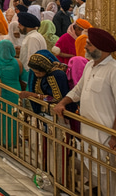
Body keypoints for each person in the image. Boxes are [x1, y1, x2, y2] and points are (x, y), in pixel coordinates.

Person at [53, 28, 116, 190]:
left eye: (89, 44)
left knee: (107, 177)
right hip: (88, 130)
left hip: (105, 134)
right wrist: (63, 103)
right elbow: (78, 90)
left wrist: (114, 136)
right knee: (94, 172)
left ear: (100, 48)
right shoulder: (89, 66)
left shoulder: (113, 70)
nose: (85, 47)